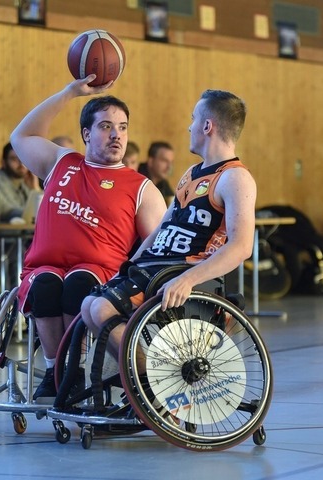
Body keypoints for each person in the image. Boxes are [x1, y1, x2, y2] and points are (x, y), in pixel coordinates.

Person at [10, 74, 167, 400]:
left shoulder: (142, 188)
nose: (116, 135)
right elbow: (21, 135)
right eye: (106, 126)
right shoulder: (60, 162)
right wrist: (70, 92)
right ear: (86, 133)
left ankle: (73, 370)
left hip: (101, 276)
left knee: (79, 282)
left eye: (122, 127)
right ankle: (55, 372)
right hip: (43, 267)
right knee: (46, 283)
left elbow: (159, 246)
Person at [81, 89, 257, 369]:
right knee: (88, 305)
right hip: (153, 266)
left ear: (207, 126)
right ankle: (139, 380)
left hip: (180, 270)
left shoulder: (235, 177)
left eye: (193, 119)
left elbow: (241, 247)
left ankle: (149, 383)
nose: (189, 126)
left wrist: (187, 279)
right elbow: (161, 229)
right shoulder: (191, 174)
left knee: (102, 309)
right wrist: (129, 265)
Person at [0, 142, 40, 221]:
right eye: (14, 159)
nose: (21, 163)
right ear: (3, 163)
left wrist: (35, 189)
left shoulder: (25, 181)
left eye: (24, 158)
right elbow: (9, 212)